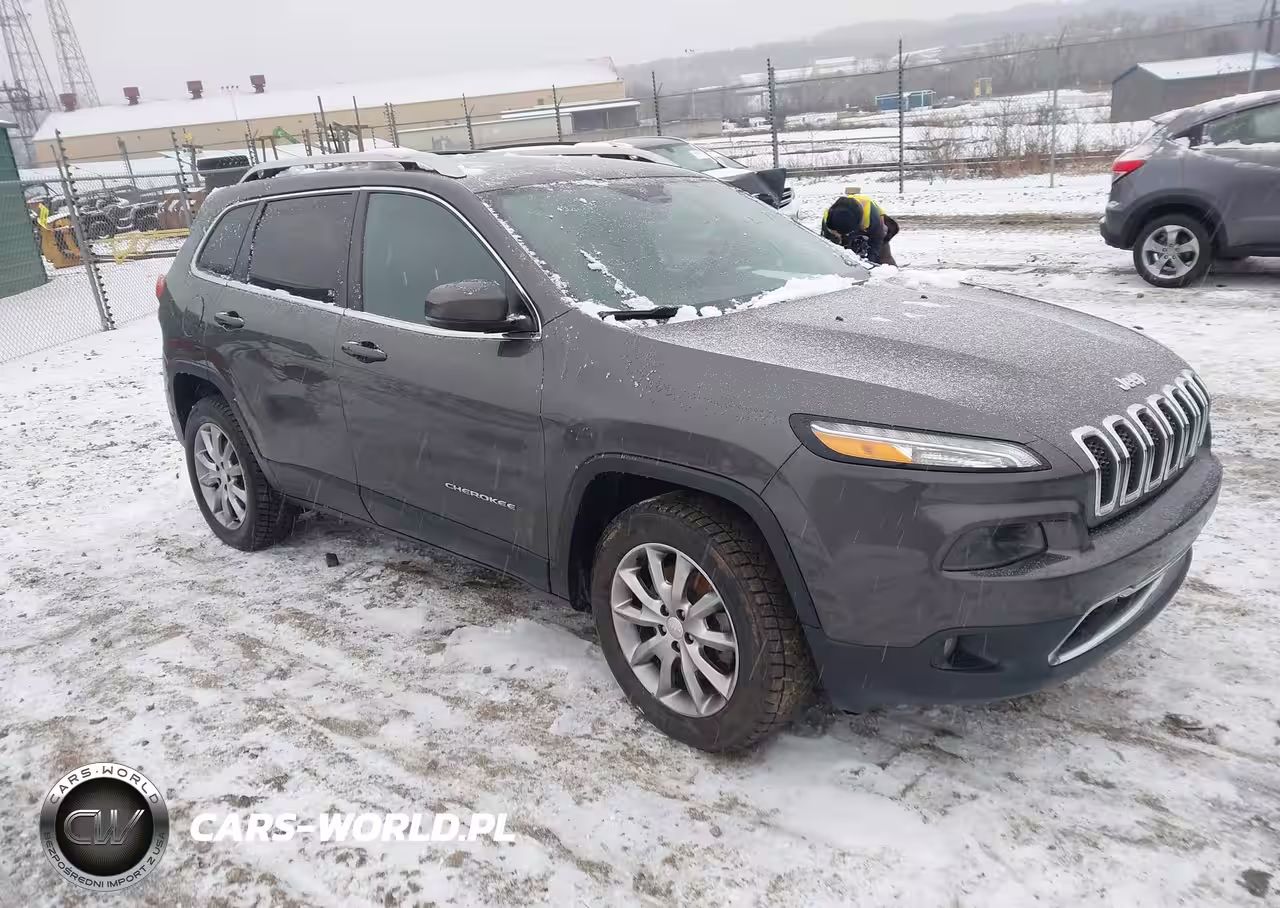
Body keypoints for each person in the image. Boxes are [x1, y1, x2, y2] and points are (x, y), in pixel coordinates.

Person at [820, 187, 899, 266]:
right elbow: (825, 244)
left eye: (847, 233)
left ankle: (891, 271)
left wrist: (870, 264)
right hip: (849, 227)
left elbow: (876, 242)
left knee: (883, 257)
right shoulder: (829, 218)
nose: (846, 235)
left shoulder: (871, 215)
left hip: (873, 230)